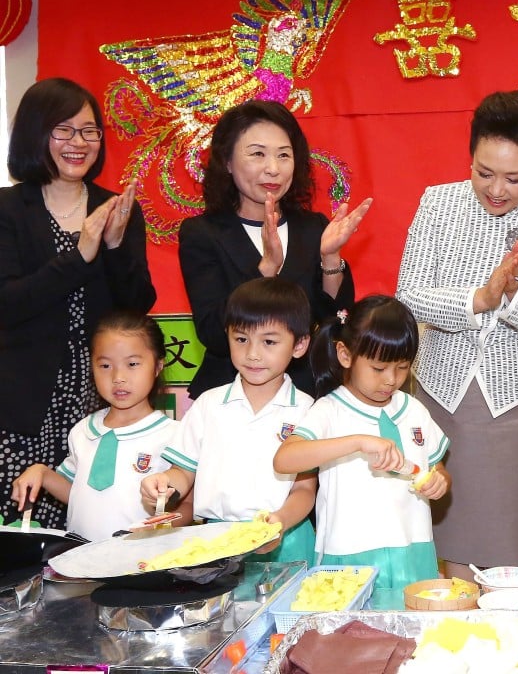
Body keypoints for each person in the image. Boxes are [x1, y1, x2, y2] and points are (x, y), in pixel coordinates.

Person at [395, 90, 518, 580]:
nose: (497, 188)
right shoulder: (437, 204)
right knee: (443, 519)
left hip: (512, 397)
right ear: (470, 155)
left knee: (507, 525)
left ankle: (503, 619)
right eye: (484, 172)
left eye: (514, 178)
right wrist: (481, 298)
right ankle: (454, 617)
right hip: (441, 387)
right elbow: (409, 294)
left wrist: (515, 296)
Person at [0, 77, 156, 530]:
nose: (78, 143)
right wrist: (80, 254)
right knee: (17, 539)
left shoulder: (116, 207)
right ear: (35, 133)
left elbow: (136, 305)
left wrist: (110, 248)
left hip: (96, 397)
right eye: (63, 130)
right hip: (20, 404)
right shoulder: (8, 210)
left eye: (89, 131)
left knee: (91, 528)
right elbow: (8, 303)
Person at [179, 99, 371, 400]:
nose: (273, 169)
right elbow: (213, 333)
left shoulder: (312, 227)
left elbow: (335, 319)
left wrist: (330, 258)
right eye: (257, 154)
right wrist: (266, 267)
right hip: (228, 398)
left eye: (284, 155)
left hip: (307, 393)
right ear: (227, 162)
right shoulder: (202, 233)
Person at [274, 296, 451, 591]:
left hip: (413, 550)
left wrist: (440, 481)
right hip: (349, 555)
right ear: (345, 355)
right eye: (379, 368)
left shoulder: (414, 409)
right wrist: (357, 442)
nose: (391, 380)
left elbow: (437, 466)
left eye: (403, 367)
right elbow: (285, 459)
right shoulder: (329, 411)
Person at [141, 277, 317, 564]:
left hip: (287, 540)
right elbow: (182, 474)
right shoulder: (208, 405)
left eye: (269, 341)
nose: (253, 354)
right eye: (241, 339)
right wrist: (161, 484)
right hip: (216, 542)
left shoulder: (309, 411)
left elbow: (304, 490)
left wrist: (279, 522)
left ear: (299, 345)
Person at [10, 311, 184, 541]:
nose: (118, 377)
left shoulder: (173, 434)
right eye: (104, 366)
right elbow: (79, 494)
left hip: (139, 565)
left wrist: (160, 521)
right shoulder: (82, 430)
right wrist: (42, 473)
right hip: (78, 562)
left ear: (157, 366)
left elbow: (185, 507)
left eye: (132, 364)